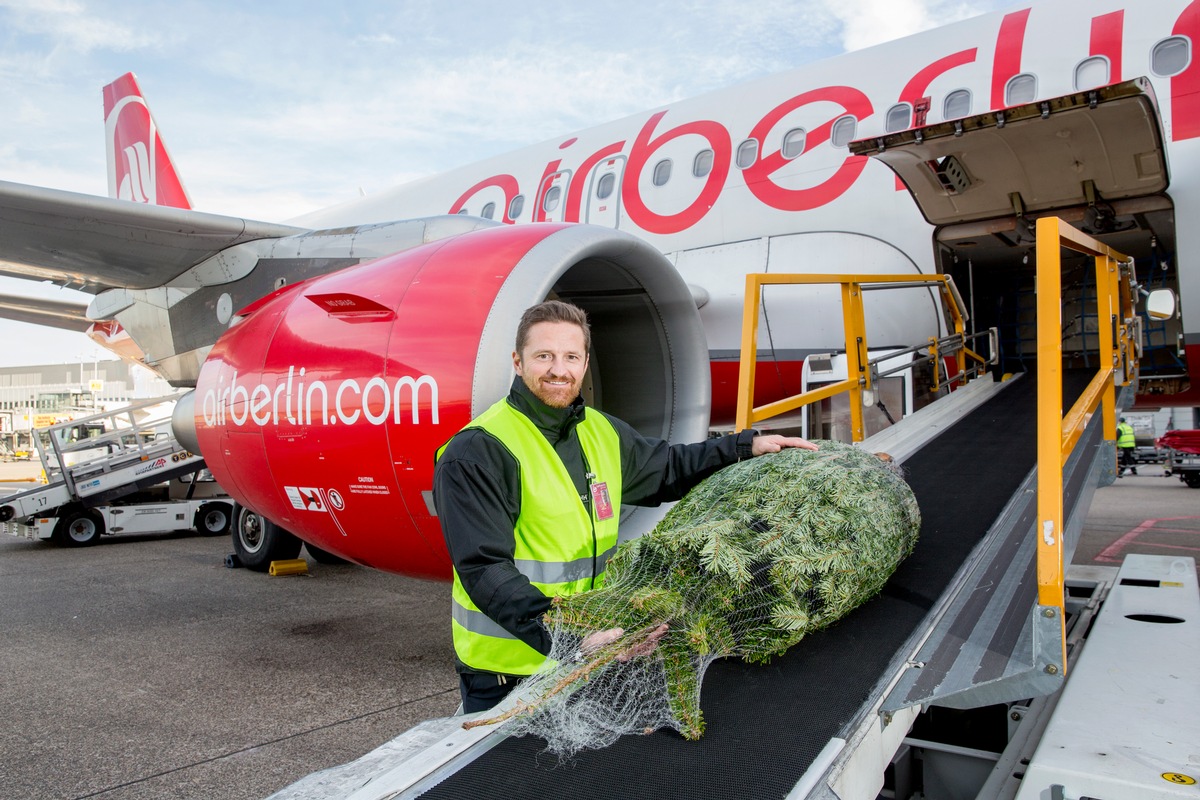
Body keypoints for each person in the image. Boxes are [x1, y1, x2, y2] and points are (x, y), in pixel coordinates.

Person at [433, 300, 817, 713]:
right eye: (544, 356)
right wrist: (568, 636)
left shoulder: (600, 432)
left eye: (571, 357)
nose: (558, 369)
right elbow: (485, 570)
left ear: (583, 363)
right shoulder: (479, 450)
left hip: (592, 654)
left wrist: (743, 447)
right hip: (509, 674)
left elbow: (668, 468)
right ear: (518, 361)